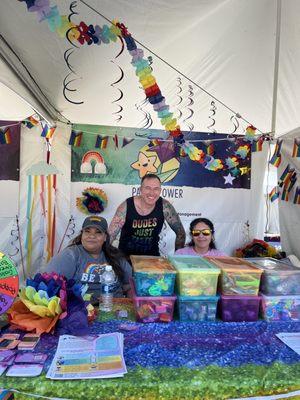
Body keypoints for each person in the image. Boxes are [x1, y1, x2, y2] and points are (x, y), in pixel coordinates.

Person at [45, 215, 132, 301]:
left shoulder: (115, 256)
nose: (92, 236)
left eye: (98, 232)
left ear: (105, 237)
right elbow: (49, 284)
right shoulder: (71, 255)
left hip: (114, 308)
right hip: (81, 310)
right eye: (87, 231)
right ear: (82, 234)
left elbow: (130, 286)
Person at [108, 174, 186, 257]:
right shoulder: (126, 206)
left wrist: (178, 258)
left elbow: (180, 233)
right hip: (126, 258)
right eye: (147, 188)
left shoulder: (165, 206)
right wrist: (107, 257)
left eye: (156, 189)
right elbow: (110, 235)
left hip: (152, 259)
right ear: (140, 189)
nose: (152, 193)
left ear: (160, 190)